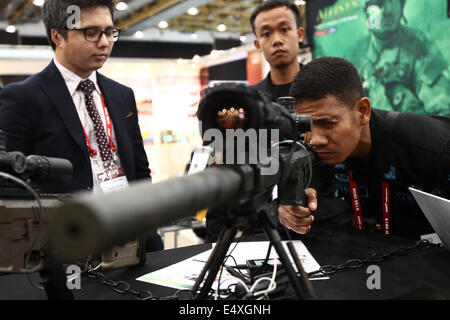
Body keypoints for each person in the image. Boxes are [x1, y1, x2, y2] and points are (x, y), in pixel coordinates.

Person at [0, 0, 162, 251]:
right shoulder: (23, 98)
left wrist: (150, 234)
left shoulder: (122, 96)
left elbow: (139, 172)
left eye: (109, 32)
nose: (105, 42)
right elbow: (11, 187)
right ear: (58, 36)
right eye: (91, 32)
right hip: (64, 246)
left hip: (128, 237)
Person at [284, 56, 450, 238]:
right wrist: (290, 206)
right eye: (306, 126)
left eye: (328, 123)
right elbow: (300, 190)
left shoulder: (430, 148)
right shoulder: (315, 152)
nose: (315, 140)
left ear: (362, 111)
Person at [204, 0, 320, 241]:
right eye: (266, 33)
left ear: (299, 34)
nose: (276, 39)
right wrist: (214, 240)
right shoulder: (247, 106)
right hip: (261, 231)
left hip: (320, 226)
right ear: (257, 43)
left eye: (284, 29)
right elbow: (231, 166)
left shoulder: (324, 94)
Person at [348, 0, 449, 116]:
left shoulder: (419, 46)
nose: (387, 10)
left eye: (392, 0)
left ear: (401, 5)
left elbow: (442, 110)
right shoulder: (353, 56)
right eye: (377, 2)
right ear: (365, 11)